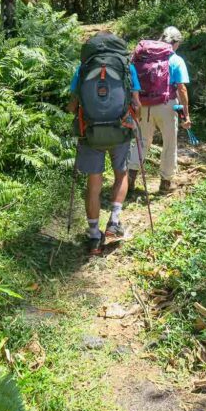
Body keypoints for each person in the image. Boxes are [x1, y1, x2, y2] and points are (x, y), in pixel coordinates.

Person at [67, 32, 142, 252]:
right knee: (121, 174)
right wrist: (134, 122)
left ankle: (93, 236)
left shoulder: (83, 69)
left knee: (94, 184)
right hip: (120, 130)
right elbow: (136, 104)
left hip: (90, 133)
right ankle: (114, 222)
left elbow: (73, 105)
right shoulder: (127, 67)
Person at [128, 26, 191, 194]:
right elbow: (181, 89)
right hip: (166, 105)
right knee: (169, 143)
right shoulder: (175, 59)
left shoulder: (144, 56)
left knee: (142, 141)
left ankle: (130, 179)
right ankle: (165, 183)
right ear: (176, 42)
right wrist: (186, 114)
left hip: (143, 104)